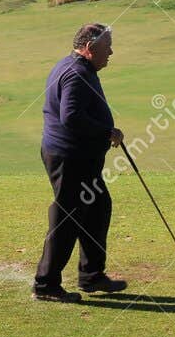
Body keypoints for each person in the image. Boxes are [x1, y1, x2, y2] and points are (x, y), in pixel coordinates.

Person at [32, 23, 128, 303]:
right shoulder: (76, 73)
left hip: (80, 157)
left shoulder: (77, 67)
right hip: (69, 157)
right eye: (106, 46)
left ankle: (92, 275)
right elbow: (70, 116)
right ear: (89, 49)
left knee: (97, 209)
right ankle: (46, 284)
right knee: (67, 218)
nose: (111, 51)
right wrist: (106, 132)